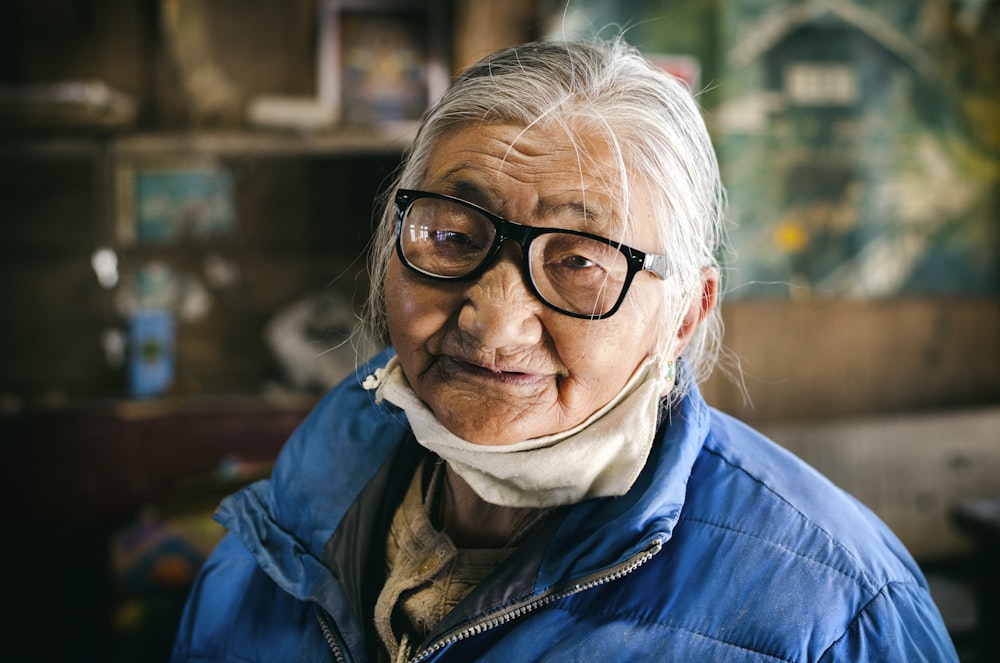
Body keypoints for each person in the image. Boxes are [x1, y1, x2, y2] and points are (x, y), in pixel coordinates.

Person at [170, 39, 958, 662]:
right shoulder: (279, 535)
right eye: (450, 236)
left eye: (579, 261)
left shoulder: (836, 613)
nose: (494, 319)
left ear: (686, 314)